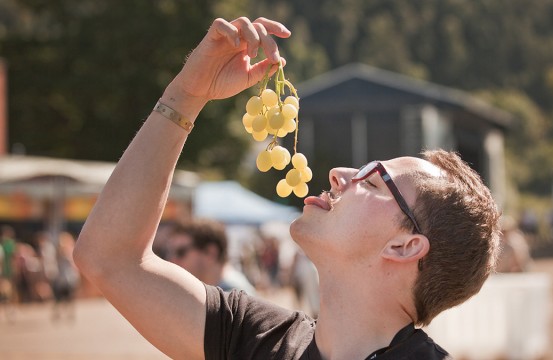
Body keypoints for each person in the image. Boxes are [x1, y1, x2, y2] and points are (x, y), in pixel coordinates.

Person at [74, 16, 501, 359]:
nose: (338, 173)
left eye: (373, 180)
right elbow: (108, 258)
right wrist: (187, 94)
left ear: (405, 246)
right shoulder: (254, 337)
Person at [164, 218, 255, 294]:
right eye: (170, 252)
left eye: (181, 252)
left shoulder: (233, 296)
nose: (172, 260)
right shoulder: (221, 293)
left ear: (210, 253)